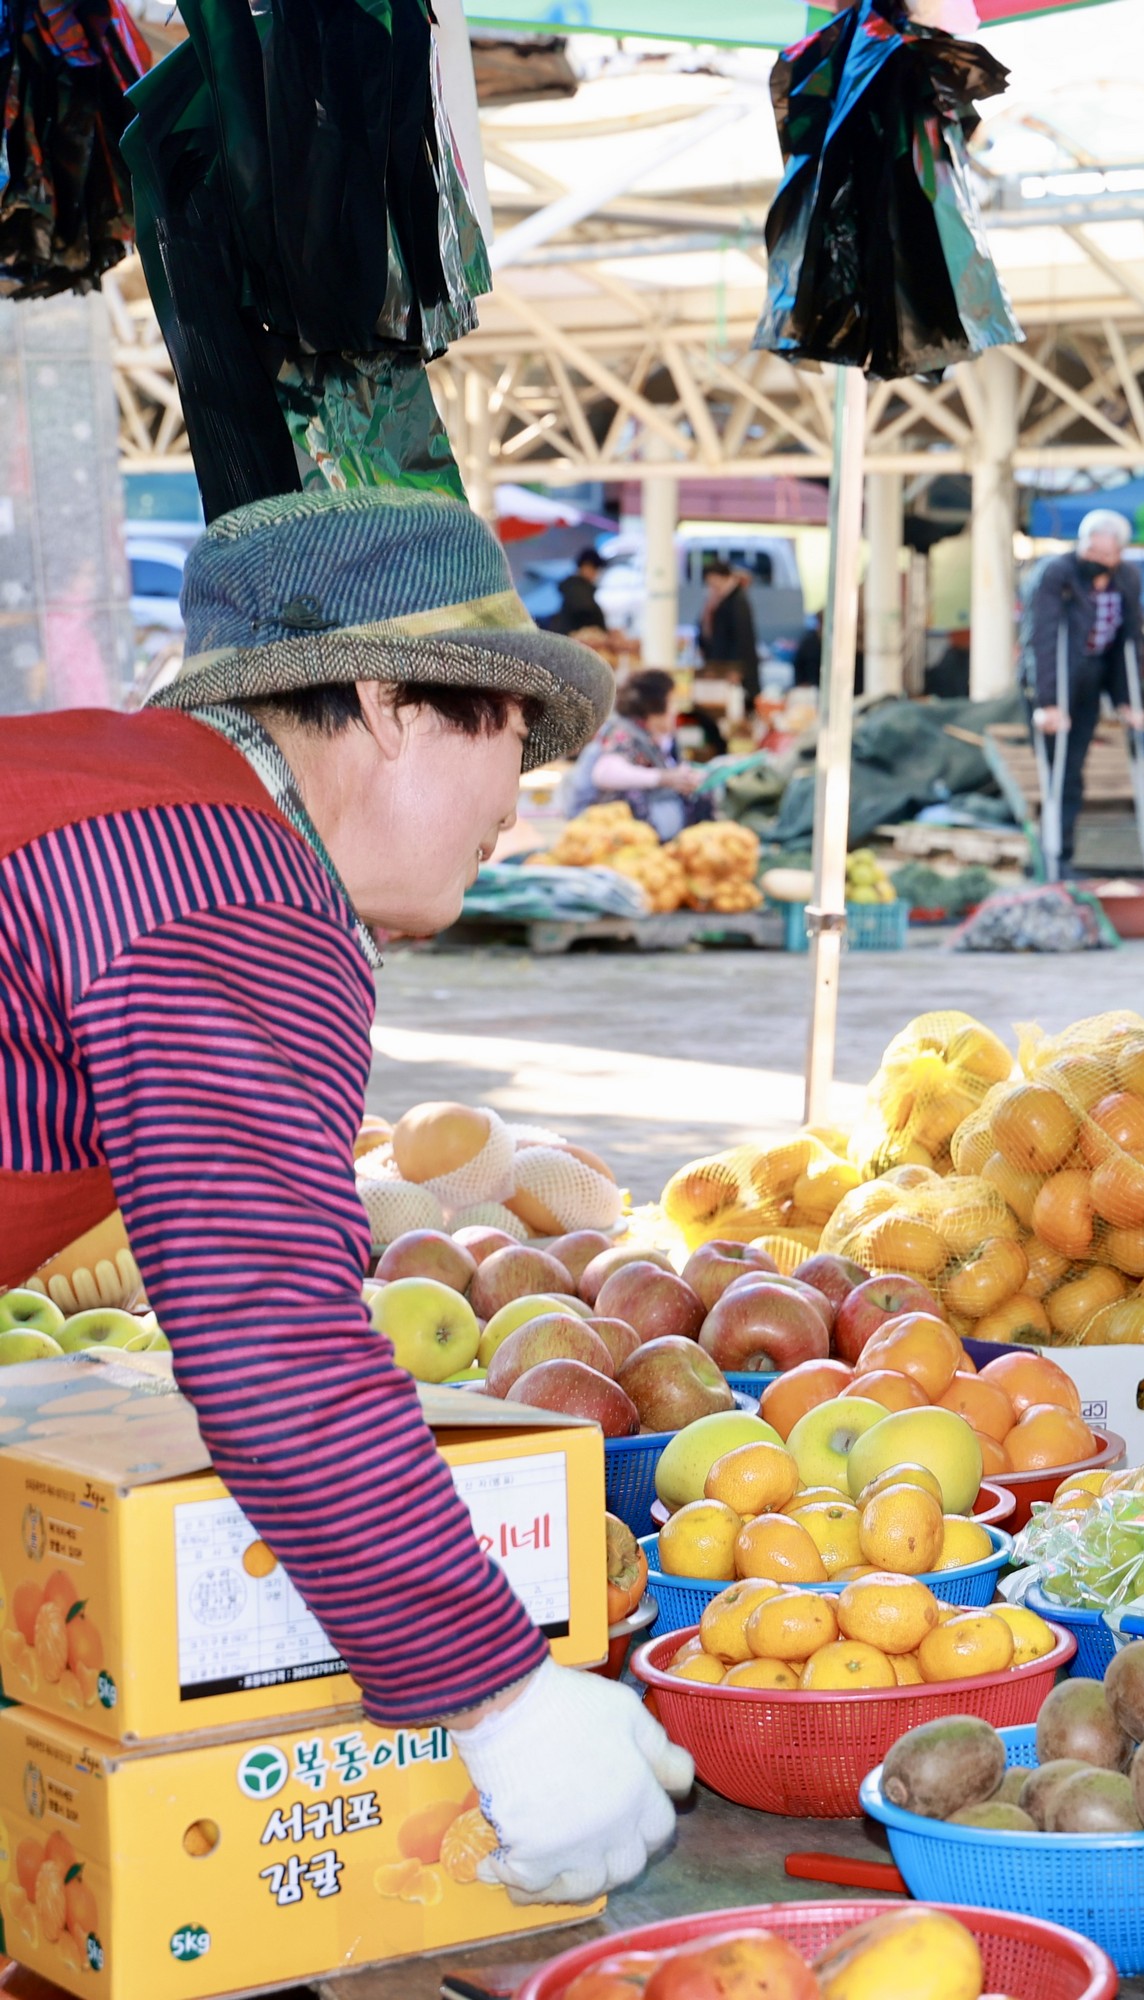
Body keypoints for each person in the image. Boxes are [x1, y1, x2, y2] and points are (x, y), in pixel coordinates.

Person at [0, 488, 692, 1898]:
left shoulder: (118, 802)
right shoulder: (231, 888)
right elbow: (270, 1340)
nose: (526, 792)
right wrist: (506, 1694)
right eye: (508, 729)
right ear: (384, 703)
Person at [1025, 509, 1144, 875]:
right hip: (1054, 680)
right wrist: (1047, 702)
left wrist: (1127, 699)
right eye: (1090, 551)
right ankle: (1051, 857)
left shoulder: (1127, 579)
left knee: (1074, 770)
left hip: (1091, 681)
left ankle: (1062, 854)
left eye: (1104, 555)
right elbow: (1042, 639)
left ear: (1119, 554)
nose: (1095, 561)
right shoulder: (1057, 574)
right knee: (1057, 771)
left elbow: (1129, 639)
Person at [558, 668, 703, 837]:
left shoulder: (657, 738)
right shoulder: (622, 732)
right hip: (613, 836)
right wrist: (664, 778)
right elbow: (605, 773)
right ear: (655, 704)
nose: (675, 710)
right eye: (671, 702)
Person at [696, 558, 759, 682]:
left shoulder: (737, 600)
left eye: (713, 582)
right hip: (720, 664)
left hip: (733, 669)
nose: (711, 587)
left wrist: (736, 670)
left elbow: (743, 637)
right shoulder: (716, 600)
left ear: (722, 577)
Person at [547, 547, 610, 636]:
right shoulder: (577, 589)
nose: (596, 574)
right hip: (580, 642)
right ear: (586, 566)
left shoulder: (575, 587)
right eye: (596, 569)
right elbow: (585, 612)